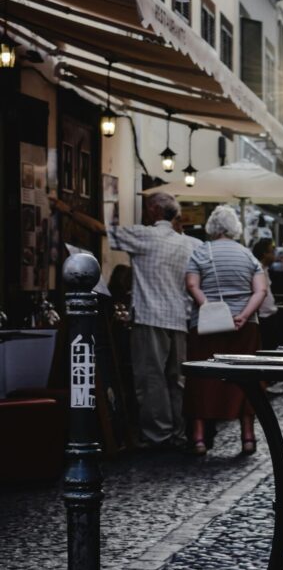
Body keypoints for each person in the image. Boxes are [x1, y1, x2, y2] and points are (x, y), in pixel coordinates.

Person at [107, 192, 200, 450]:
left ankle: (158, 433)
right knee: (176, 379)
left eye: (148, 208)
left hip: (150, 316)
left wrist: (68, 212)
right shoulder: (188, 243)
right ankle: (177, 431)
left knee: (151, 377)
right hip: (180, 318)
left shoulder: (145, 235)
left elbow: (105, 231)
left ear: (154, 211)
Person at [184, 205, 267, 457]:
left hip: (207, 326)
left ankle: (199, 439)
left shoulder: (200, 252)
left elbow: (191, 284)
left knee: (202, 380)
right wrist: (242, 315)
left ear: (211, 227)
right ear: (234, 228)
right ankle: (248, 437)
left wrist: (209, 308)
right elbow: (260, 291)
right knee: (246, 379)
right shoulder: (248, 255)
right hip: (245, 328)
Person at [252, 238, 279, 351]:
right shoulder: (256, 268)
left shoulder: (265, 269)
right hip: (262, 318)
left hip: (269, 316)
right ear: (265, 253)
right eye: (272, 252)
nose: (274, 256)